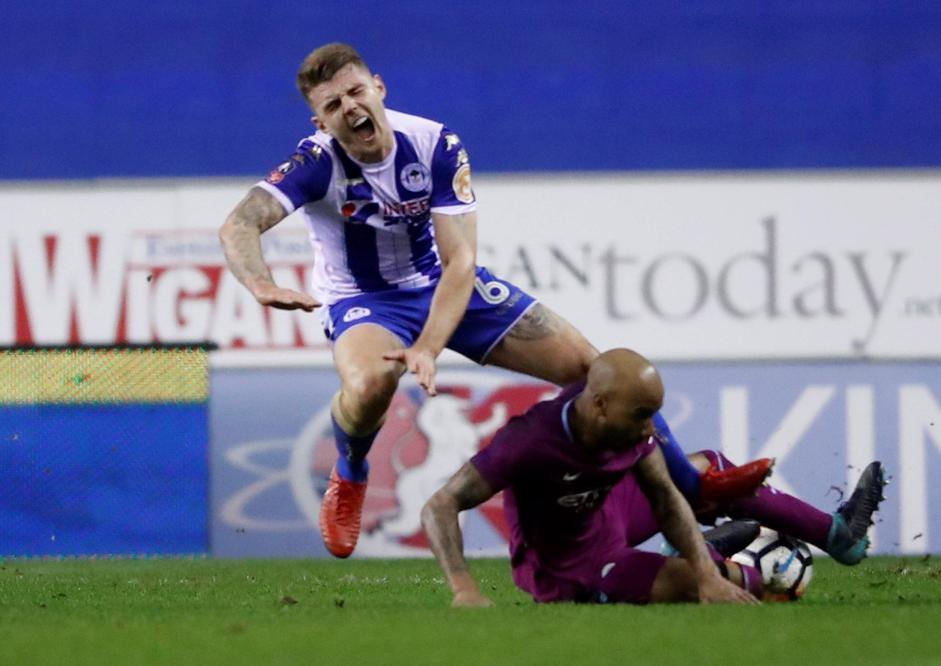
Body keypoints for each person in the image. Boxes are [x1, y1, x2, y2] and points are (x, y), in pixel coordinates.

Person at [218, 43, 770, 559]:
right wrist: (259, 283)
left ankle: (695, 487)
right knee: (368, 387)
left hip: (445, 283)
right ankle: (352, 468)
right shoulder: (316, 163)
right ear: (320, 122)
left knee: (597, 372)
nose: (350, 109)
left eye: (356, 92)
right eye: (333, 105)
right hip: (366, 300)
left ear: (379, 88)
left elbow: (459, 263)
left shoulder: (436, 144)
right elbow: (240, 223)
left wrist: (430, 346)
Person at [421, 349, 887, 606]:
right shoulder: (527, 441)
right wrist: (464, 588)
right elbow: (440, 504)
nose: (651, 429)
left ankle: (839, 536)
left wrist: (705, 574)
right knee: (714, 587)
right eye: (643, 415)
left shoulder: (627, 428)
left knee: (710, 472)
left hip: (611, 514)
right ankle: (728, 567)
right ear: (598, 405)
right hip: (571, 571)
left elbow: (666, 499)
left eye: (655, 416)